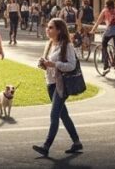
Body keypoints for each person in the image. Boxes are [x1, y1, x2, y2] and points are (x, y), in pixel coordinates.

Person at [32, 18, 82, 157]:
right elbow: (47, 63)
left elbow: (71, 65)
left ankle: (46, 146)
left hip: (61, 84)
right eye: (48, 27)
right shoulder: (49, 44)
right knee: (63, 115)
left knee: (54, 115)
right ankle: (77, 142)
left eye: (51, 27)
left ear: (59, 30)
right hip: (50, 83)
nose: (47, 30)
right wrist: (43, 64)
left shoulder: (67, 45)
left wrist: (54, 64)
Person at [91, 0, 115, 71]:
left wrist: (93, 30)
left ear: (106, 4)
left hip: (110, 30)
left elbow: (98, 22)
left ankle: (106, 65)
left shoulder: (105, 10)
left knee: (104, 44)